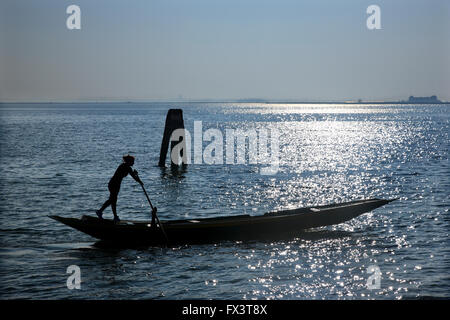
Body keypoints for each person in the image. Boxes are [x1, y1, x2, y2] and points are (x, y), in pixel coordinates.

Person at [96, 155, 143, 223]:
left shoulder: (126, 167)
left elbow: (133, 175)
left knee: (112, 200)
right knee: (113, 200)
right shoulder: (125, 167)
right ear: (129, 162)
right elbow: (134, 177)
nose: (133, 163)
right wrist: (140, 181)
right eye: (132, 162)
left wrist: (136, 175)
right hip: (114, 184)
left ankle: (104, 213)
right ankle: (108, 214)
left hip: (115, 184)